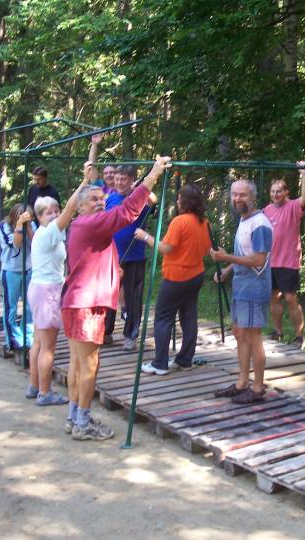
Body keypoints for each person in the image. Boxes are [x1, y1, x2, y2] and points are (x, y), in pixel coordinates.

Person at [62, 155, 172, 441]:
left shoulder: (80, 224)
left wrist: (113, 268)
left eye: (102, 198)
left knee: (78, 363)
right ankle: (83, 423)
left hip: (75, 301)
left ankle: (74, 417)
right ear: (81, 206)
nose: (100, 203)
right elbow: (127, 211)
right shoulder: (91, 222)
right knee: (90, 364)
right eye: (94, 200)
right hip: (87, 304)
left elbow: (92, 254)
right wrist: (153, 175)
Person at [25, 165, 91, 406]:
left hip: (40, 289)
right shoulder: (48, 232)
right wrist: (84, 182)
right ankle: (45, 393)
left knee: (39, 342)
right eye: (47, 213)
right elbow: (72, 208)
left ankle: (35, 386)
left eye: (56, 210)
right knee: (48, 347)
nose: (54, 215)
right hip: (47, 292)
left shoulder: (46, 234)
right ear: (39, 217)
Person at [138, 184, 212, 375]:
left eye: (179, 199)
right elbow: (206, 249)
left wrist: (145, 237)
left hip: (177, 277)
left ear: (185, 202)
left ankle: (160, 364)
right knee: (189, 317)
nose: (177, 202)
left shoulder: (180, 221)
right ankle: (185, 359)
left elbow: (166, 248)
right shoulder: (205, 223)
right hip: (196, 276)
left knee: (163, 318)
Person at [211, 179, 273, 404]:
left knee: (253, 337)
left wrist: (226, 257)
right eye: (234, 194)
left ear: (253, 197)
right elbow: (244, 254)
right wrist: (227, 269)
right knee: (239, 334)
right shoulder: (244, 220)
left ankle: (257, 389)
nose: (237, 198)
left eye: (243, 195)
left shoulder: (260, 223)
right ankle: (242, 383)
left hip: (255, 289)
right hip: (241, 286)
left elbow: (258, 259)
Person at [104, 165, 157, 351]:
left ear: (131, 180)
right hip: (112, 255)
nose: (119, 182)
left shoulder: (139, 198)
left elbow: (153, 201)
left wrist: (140, 189)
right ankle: (106, 332)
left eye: (123, 179)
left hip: (134, 256)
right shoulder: (110, 199)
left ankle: (131, 335)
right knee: (109, 294)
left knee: (133, 297)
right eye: (117, 178)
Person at [263, 162, 305, 348]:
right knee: (273, 297)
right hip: (270, 261)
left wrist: (304, 174)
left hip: (289, 261)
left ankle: (299, 336)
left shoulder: (293, 206)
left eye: (279, 191)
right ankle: (278, 332)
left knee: (290, 298)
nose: (275, 194)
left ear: (286, 192)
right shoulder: (267, 210)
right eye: (273, 191)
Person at [0, 203, 36, 352]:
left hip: (28, 269)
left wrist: (29, 227)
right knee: (11, 307)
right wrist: (19, 225)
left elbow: (36, 244)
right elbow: (16, 244)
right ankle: (13, 340)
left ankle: (28, 337)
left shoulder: (31, 224)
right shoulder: (4, 227)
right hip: (11, 271)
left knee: (30, 306)